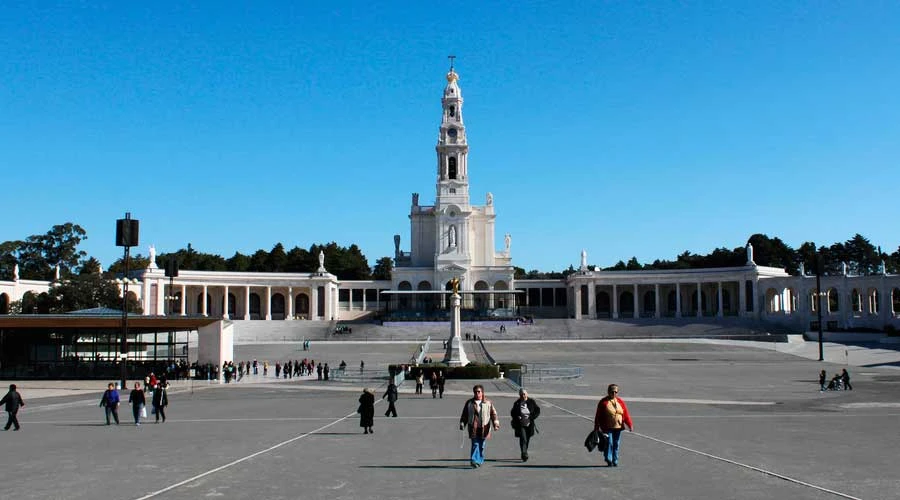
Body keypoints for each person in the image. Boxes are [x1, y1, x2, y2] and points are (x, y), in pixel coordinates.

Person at [459, 384, 500, 468]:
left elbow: (493, 413)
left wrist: (496, 423)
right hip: (473, 427)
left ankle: (479, 460)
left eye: (479, 392)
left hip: (484, 427)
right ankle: (474, 460)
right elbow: (464, 414)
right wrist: (462, 423)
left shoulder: (488, 402)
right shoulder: (469, 402)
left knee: (481, 445)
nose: (477, 393)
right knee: (475, 444)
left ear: (482, 392)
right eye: (475, 392)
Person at [594, 384, 633, 467]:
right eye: (612, 391)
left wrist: (630, 424)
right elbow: (598, 416)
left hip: (618, 427)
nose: (614, 393)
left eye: (616, 392)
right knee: (609, 443)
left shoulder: (620, 402)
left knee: (616, 444)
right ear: (608, 392)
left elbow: (625, 414)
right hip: (607, 428)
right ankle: (609, 459)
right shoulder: (603, 402)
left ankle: (615, 460)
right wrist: (596, 428)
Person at [510, 388, 540, 461]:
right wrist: (517, 416)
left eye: (524, 394)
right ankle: (524, 453)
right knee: (523, 438)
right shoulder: (517, 403)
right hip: (520, 424)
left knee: (527, 438)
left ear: (527, 394)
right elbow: (512, 412)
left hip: (529, 424)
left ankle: (524, 451)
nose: (523, 395)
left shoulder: (531, 402)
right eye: (521, 394)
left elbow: (537, 410)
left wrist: (532, 417)